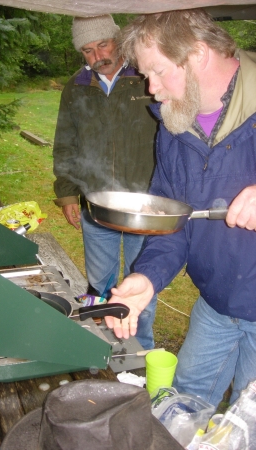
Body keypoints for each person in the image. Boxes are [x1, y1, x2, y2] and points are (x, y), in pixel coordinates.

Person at [105, 9, 256, 408]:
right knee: (182, 404)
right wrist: (147, 277)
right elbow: (173, 223)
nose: (151, 89)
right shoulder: (175, 125)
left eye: (157, 71)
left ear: (199, 54)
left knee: (249, 421)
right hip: (218, 303)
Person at [52, 15, 158, 349]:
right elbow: (65, 142)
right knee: (100, 286)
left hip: (147, 206)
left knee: (142, 284)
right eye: (88, 50)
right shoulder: (77, 86)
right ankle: (105, 348)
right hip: (96, 205)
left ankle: (138, 350)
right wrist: (68, 194)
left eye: (103, 44)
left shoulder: (147, 77)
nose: (98, 55)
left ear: (118, 39)